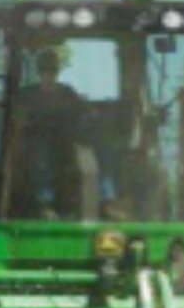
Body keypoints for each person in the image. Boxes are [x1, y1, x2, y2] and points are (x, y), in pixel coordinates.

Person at [17, 47, 125, 220]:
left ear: (57, 71)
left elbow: (87, 111)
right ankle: (45, 204)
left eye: (52, 70)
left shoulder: (67, 92)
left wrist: (89, 118)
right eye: (46, 70)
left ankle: (107, 200)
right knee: (41, 154)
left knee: (102, 148)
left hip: (67, 140)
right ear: (39, 71)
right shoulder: (27, 95)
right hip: (37, 140)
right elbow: (18, 119)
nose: (49, 75)